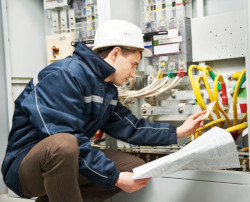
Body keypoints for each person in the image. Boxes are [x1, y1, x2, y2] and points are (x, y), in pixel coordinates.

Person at [1, 19, 205, 202]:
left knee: (134, 168)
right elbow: (63, 136)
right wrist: (113, 177)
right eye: (133, 65)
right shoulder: (64, 75)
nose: (133, 74)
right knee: (64, 143)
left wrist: (179, 132)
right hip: (24, 168)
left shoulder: (106, 89)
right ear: (115, 53)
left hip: (66, 159)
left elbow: (131, 127)